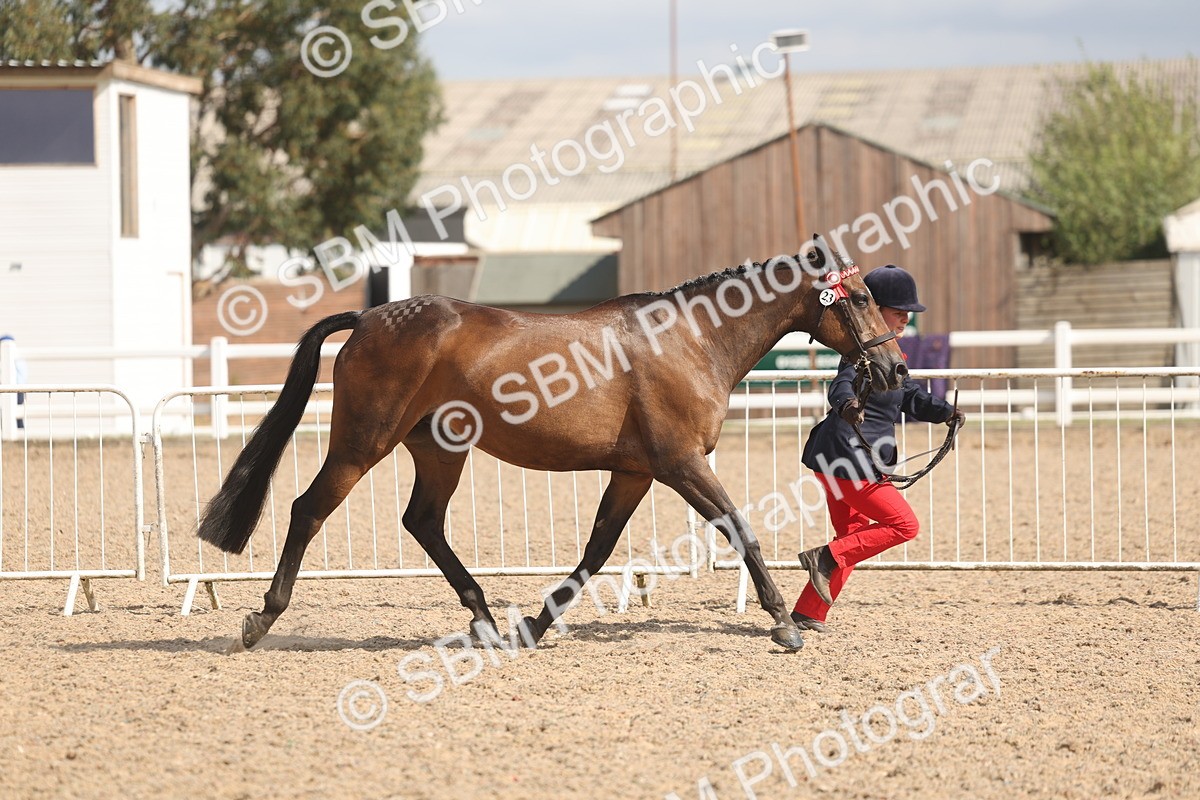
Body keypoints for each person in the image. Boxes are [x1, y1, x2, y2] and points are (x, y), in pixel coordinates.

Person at [792, 265, 964, 632]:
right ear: (873, 309)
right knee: (903, 525)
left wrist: (945, 412)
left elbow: (911, 398)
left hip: (839, 459)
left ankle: (808, 612)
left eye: (908, 312)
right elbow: (841, 385)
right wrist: (847, 405)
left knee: (853, 539)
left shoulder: (891, 352)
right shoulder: (861, 352)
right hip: (848, 456)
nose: (905, 317)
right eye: (897, 310)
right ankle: (823, 557)